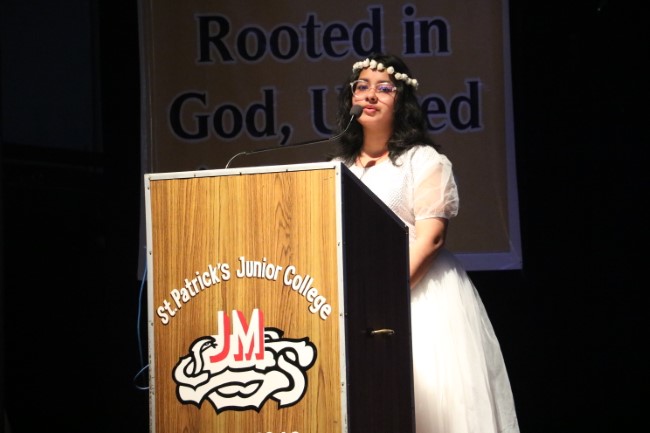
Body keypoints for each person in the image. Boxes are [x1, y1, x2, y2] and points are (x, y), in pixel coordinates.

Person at [330, 53, 520, 433]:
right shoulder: (340, 167)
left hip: (417, 297)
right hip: (355, 300)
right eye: (362, 87)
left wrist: (386, 298)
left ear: (401, 101)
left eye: (383, 89)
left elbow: (431, 238)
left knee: (425, 405)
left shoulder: (424, 160)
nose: (370, 96)